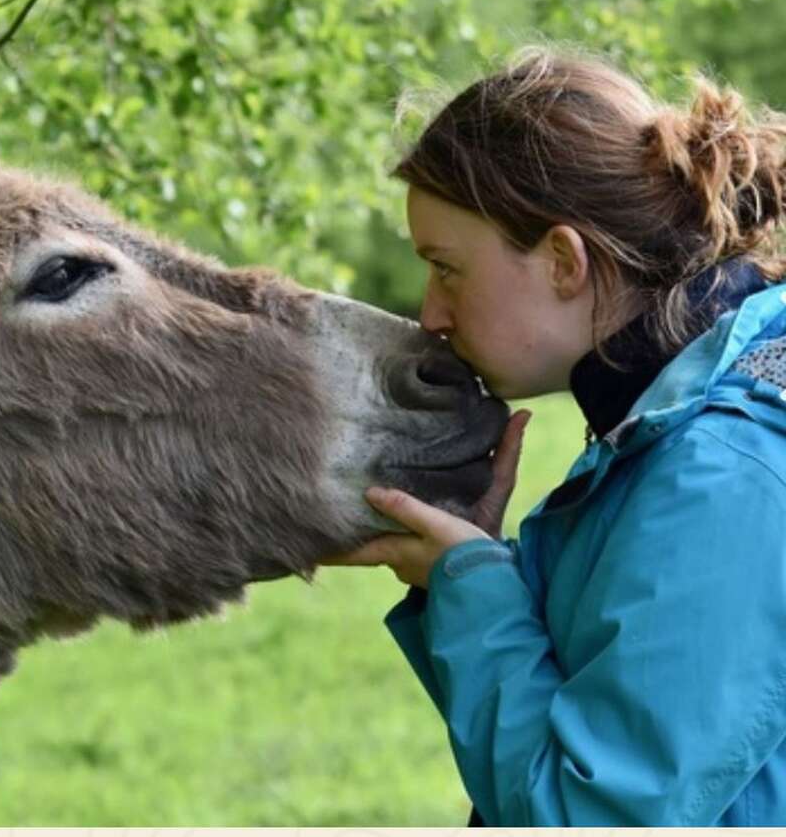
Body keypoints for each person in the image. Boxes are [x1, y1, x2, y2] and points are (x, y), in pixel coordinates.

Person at [325, 48, 786, 825]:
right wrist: (460, 577)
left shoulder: (725, 473)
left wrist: (472, 592)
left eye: (447, 268)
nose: (431, 314)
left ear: (564, 261)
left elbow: (586, 814)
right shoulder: (673, 424)